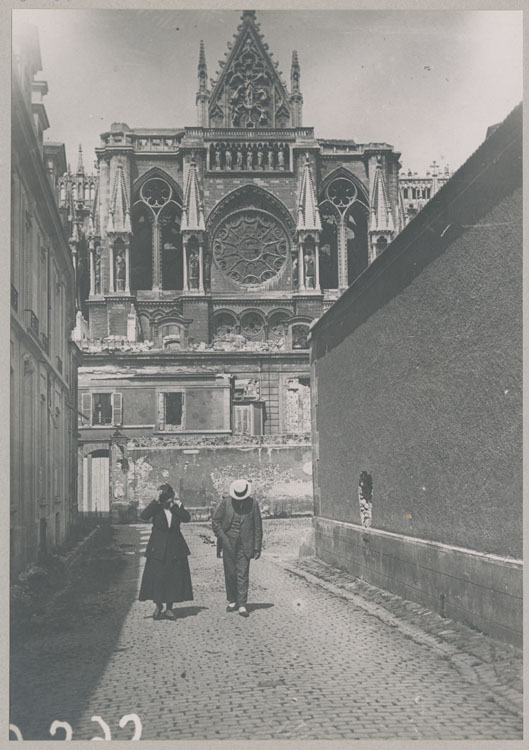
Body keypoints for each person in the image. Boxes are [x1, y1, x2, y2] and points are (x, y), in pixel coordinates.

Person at [139, 483, 193, 620]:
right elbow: (144, 516)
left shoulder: (176, 507)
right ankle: (158, 605)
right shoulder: (156, 507)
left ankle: (169, 608)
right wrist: (156, 501)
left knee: (173, 577)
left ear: (172, 495)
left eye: (167, 495)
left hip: (175, 547)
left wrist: (174, 505)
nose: (165, 498)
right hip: (157, 547)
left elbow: (186, 518)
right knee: (158, 577)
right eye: (163, 495)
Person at [211, 479, 263, 618]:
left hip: (245, 544)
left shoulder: (253, 504)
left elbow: (258, 527)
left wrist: (257, 548)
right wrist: (222, 536)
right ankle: (232, 600)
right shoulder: (226, 503)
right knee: (230, 573)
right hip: (228, 542)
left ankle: (242, 604)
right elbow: (216, 520)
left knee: (243, 574)